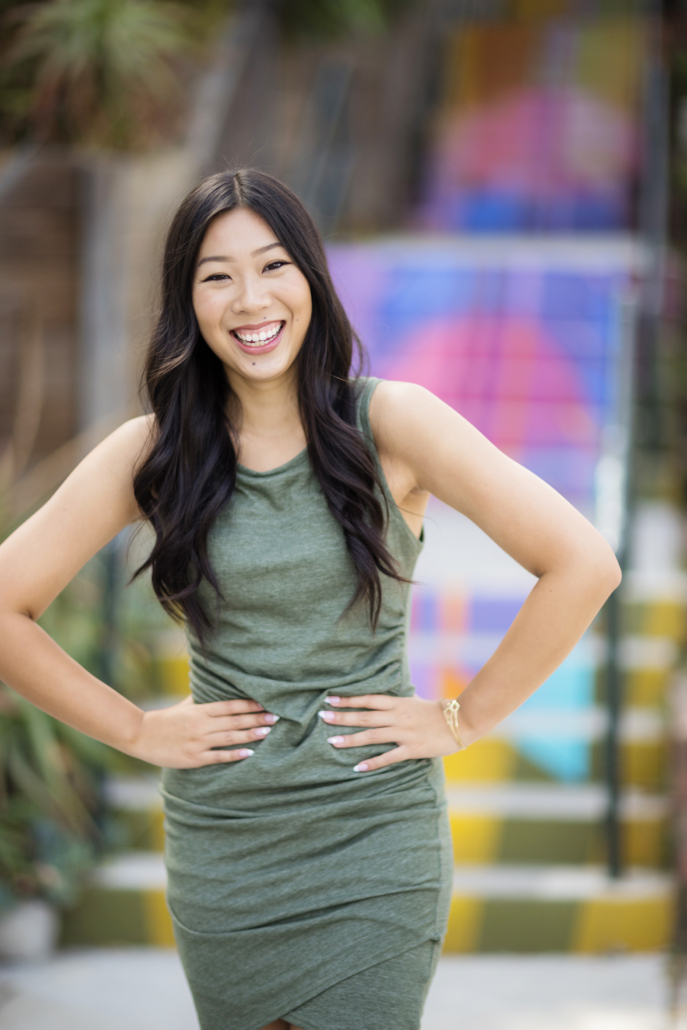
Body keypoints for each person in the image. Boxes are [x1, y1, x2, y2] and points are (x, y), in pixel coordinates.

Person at [0, 168, 621, 1030]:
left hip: (371, 830)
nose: (250, 299)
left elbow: (582, 563)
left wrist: (459, 720)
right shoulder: (153, 452)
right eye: (217, 275)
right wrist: (136, 729)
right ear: (188, 301)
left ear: (311, 280)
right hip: (228, 841)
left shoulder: (393, 422)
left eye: (273, 266)